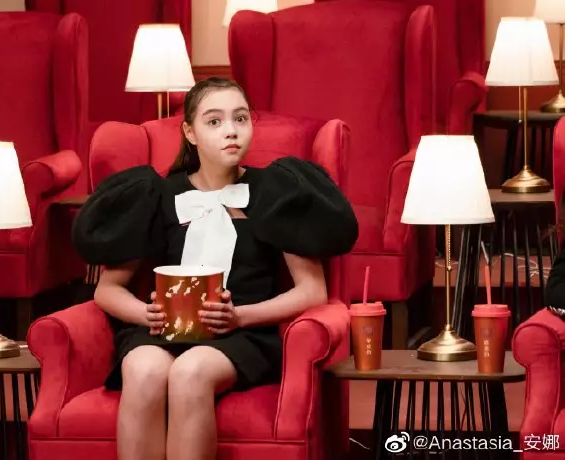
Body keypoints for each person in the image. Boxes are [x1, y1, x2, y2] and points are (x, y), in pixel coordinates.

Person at [72, 77, 359, 460]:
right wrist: (146, 314)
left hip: (244, 333)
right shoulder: (160, 194)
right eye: (214, 121)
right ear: (189, 132)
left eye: (240, 119)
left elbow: (312, 291)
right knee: (142, 370)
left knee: (190, 371)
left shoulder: (274, 190)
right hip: (162, 330)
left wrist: (239, 316)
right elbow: (107, 290)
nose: (231, 131)